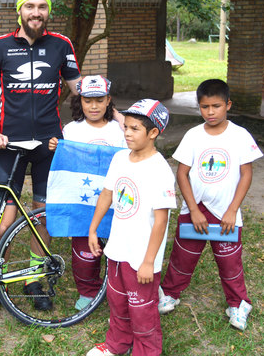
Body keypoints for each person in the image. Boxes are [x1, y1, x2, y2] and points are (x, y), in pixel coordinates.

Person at [0, 0, 82, 318]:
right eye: (30, 7)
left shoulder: (62, 45)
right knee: (1, 219)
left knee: (42, 215)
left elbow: (80, 89)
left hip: (50, 144)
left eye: (42, 7)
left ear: (48, 11)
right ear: (19, 10)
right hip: (10, 145)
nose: (36, 13)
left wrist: (114, 114)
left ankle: (35, 279)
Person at [158, 79, 263, 331]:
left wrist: (232, 210)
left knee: (229, 263)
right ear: (199, 107)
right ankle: (170, 293)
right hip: (194, 212)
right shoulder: (193, 135)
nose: (211, 112)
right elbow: (182, 174)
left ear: (228, 104)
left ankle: (238, 304)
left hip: (225, 214)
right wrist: (193, 209)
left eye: (216, 106)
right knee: (182, 258)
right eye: (205, 107)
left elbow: (246, 174)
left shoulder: (239, 135)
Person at [85, 99, 176, 356]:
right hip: (117, 248)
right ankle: (117, 343)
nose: (126, 133)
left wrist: (149, 262)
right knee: (117, 301)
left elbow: (161, 221)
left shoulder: (159, 170)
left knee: (142, 309)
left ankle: (147, 350)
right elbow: (106, 194)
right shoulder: (120, 158)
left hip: (141, 256)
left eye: (135, 129)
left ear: (153, 133)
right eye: (126, 126)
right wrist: (93, 229)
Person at [48, 75, 126, 311]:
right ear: (79, 100)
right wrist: (57, 147)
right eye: (88, 100)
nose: (93, 106)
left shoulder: (120, 129)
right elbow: (67, 164)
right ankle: (87, 290)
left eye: (100, 100)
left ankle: (118, 286)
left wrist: (120, 117)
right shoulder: (71, 130)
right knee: (84, 250)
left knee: (118, 245)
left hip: (115, 199)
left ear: (109, 101)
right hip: (82, 202)